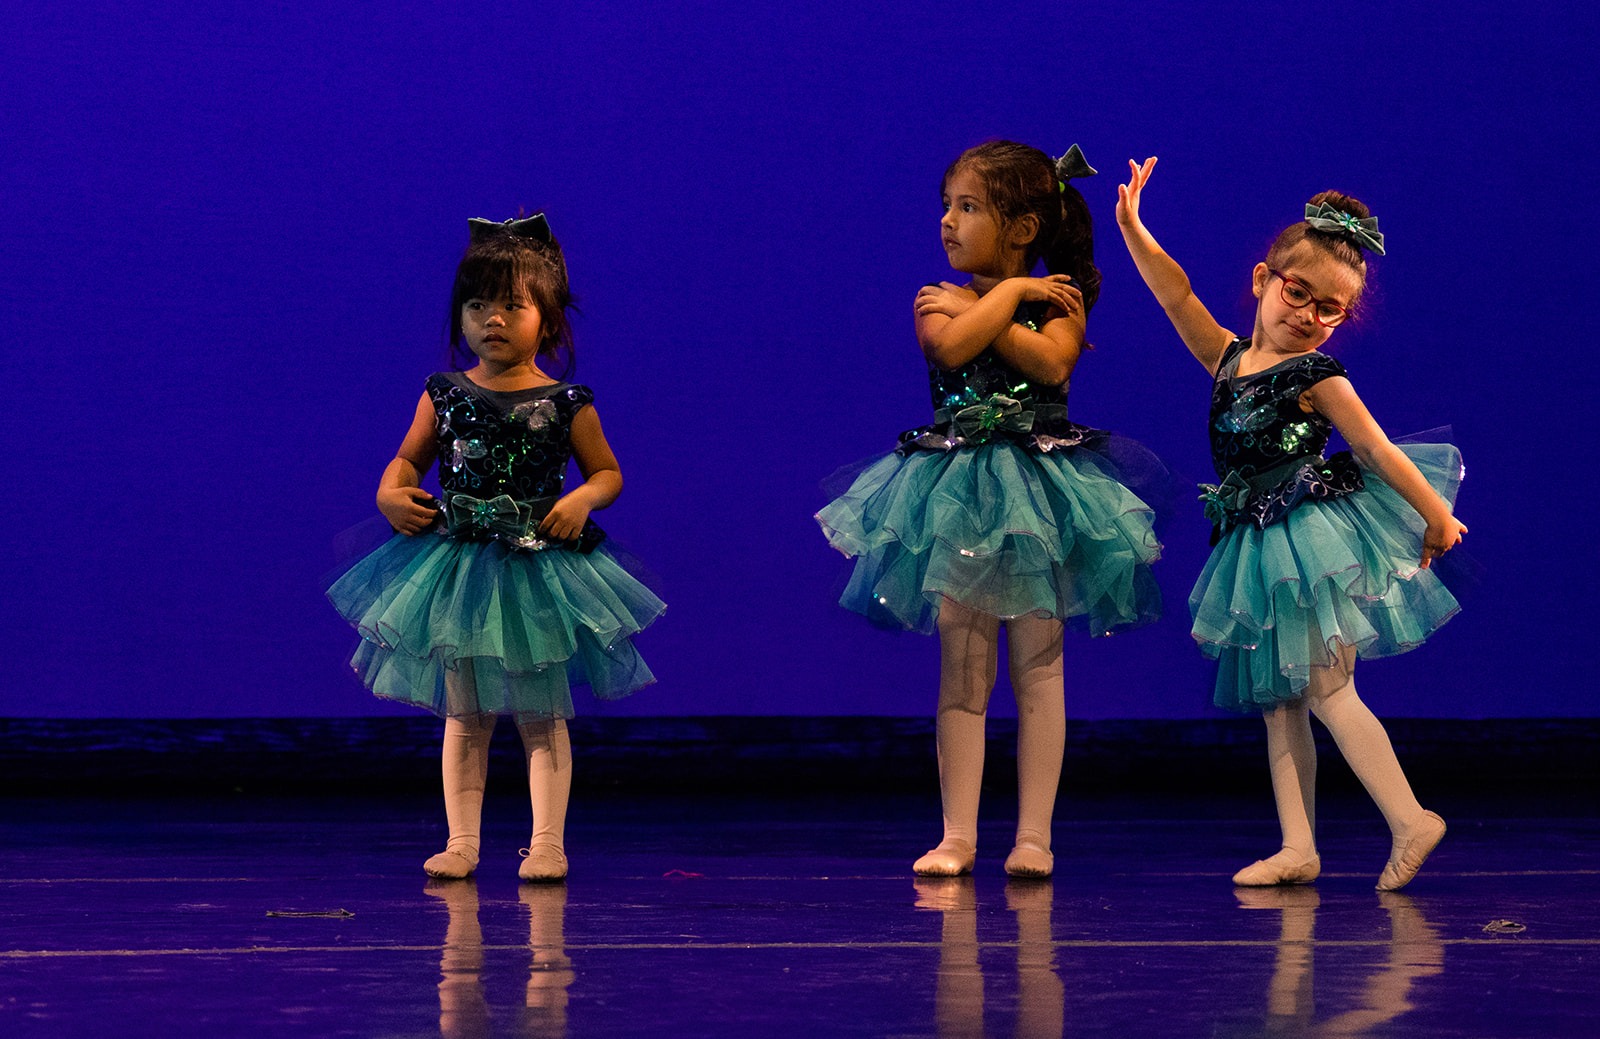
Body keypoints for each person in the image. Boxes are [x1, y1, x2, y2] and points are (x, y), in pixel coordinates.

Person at [1115, 157, 1466, 890]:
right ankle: (1298, 845)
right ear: (1262, 280)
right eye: (1297, 292)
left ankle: (1410, 818)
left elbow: (1376, 449)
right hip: (1255, 540)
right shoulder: (1227, 358)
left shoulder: (1317, 376)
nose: (1307, 315)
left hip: (1305, 542)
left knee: (1330, 690)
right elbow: (1176, 294)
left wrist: (1436, 511)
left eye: (1329, 309)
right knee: (1279, 702)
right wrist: (1134, 228)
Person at [817, 141, 1164, 878]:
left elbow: (1052, 362)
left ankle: (1034, 836)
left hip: (1039, 499)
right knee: (963, 669)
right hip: (959, 500)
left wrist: (1001, 302)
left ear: (1023, 228)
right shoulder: (934, 299)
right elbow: (950, 349)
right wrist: (1007, 298)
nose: (947, 221)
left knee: (1040, 667)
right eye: (946, 205)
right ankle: (958, 835)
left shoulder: (1060, 304)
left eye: (968, 206)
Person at [327, 214, 664, 882]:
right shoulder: (444, 394)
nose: (493, 319)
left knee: (542, 711)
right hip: (459, 568)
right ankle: (462, 841)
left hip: (537, 565)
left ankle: (547, 844)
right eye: (477, 305)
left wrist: (581, 499)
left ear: (550, 320)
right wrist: (389, 493)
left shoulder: (567, 402)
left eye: (513, 305)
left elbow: (607, 473)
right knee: (466, 711)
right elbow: (406, 460)